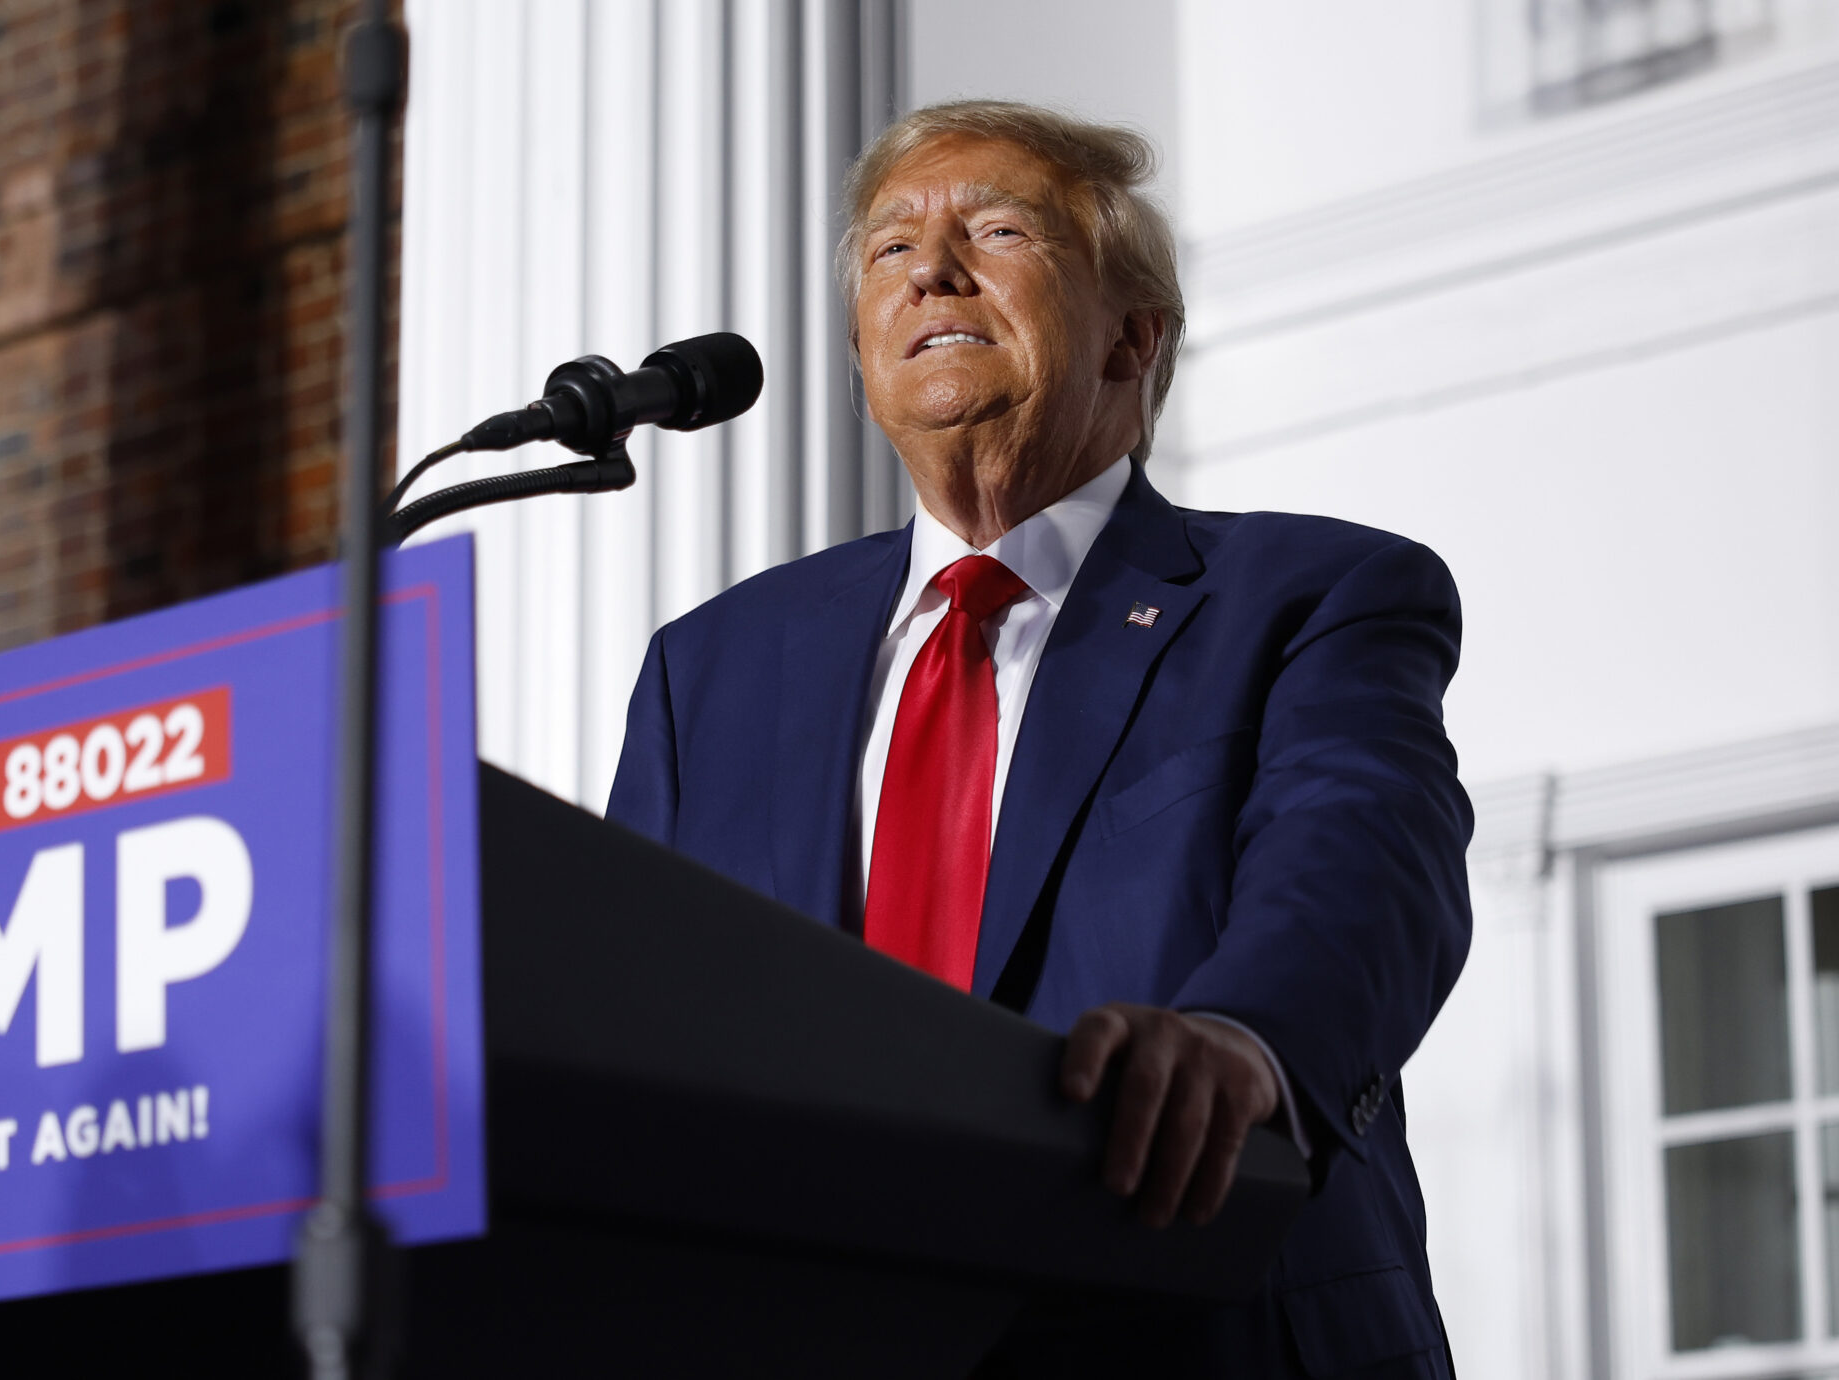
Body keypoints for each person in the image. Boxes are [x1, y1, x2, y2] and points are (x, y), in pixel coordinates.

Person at [606, 100, 1470, 1378]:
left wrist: (1245, 1041)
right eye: (890, 250)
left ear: (1133, 335)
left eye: (997, 229)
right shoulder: (711, 669)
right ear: (860, 351)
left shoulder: (1305, 596)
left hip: (1193, 1326)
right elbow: (634, 1022)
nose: (931, 268)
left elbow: (1360, 862)